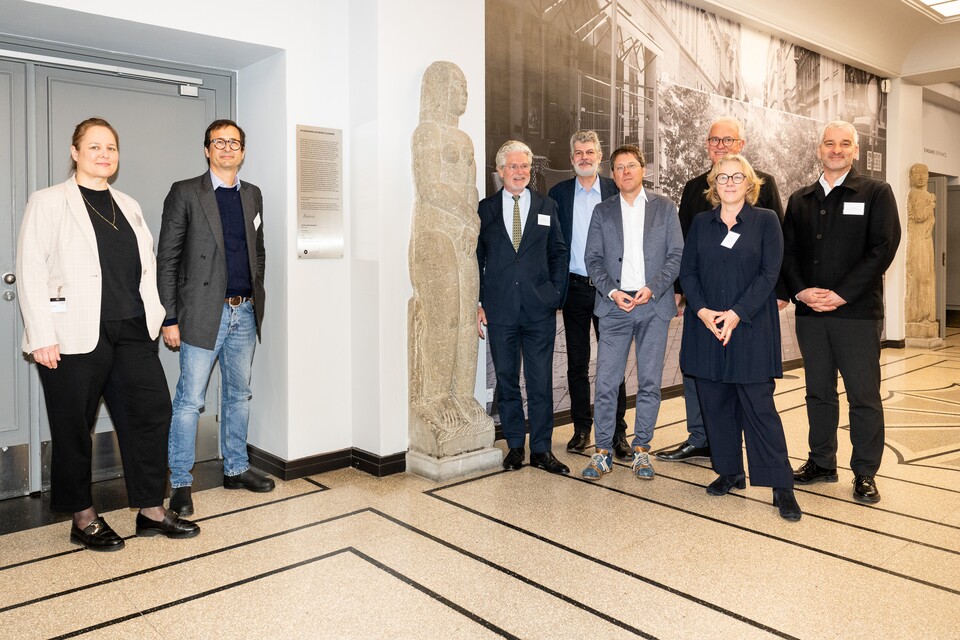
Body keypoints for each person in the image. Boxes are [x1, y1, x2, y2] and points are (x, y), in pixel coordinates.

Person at [16, 117, 199, 550]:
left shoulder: (127, 204)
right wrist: (41, 334)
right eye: (94, 146)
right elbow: (30, 269)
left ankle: (151, 510)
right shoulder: (48, 201)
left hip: (132, 329)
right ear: (75, 152)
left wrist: (156, 315)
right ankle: (82, 516)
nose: (104, 154)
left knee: (151, 414)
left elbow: (145, 268)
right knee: (74, 425)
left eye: (111, 148)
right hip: (72, 333)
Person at [157, 119, 273, 518]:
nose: (226, 148)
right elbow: (167, 259)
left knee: (239, 394)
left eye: (233, 143)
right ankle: (180, 482)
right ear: (207, 150)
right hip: (203, 313)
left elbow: (258, 250)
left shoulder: (253, 194)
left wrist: (255, 290)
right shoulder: (186, 192)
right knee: (190, 401)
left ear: (243, 151)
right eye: (218, 142)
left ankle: (236, 468)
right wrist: (169, 317)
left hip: (245, 311)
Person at [782, 120, 901, 504]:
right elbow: (788, 251)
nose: (836, 150)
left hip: (857, 315)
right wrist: (801, 291)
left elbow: (883, 249)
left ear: (855, 150)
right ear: (819, 149)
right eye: (829, 143)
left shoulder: (876, 192)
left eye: (844, 144)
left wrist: (841, 295)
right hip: (811, 315)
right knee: (818, 392)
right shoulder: (800, 199)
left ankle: (865, 472)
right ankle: (821, 462)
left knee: (863, 396)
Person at [679, 154, 801, 521]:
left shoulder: (765, 221)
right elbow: (688, 271)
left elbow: (769, 273)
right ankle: (730, 471)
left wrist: (736, 313)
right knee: (715, 403)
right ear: (713, 185)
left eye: (737, 177)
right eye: (722, 177)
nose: (729, 183)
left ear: (750, 183)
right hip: (706, 327)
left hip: (749, 326)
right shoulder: (701, 223)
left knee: (759, 408)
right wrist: (702, 311)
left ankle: (781, 485)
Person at [659, 116, 787, 463]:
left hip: (748, 305)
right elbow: (682, 245)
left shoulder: (763, 183)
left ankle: (741, 449)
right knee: (699, 375)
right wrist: (681, 292)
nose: (721, 146)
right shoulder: (693, 188)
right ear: (707, 145)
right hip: (704, 304)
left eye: (728, 140)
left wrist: (780, 290)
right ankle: (701, 437)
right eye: (715, 140)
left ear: (741, 145)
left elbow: (777, 244)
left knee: (748, 382)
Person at [581, 145, 683, 481]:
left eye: (632, 165)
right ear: (612, 174)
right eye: (619, 167)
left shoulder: (664, 207)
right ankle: (603, 451)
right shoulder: (602, 211)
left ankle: (641, 450)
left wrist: (652, 288)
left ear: (643, 169)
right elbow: (593, 259)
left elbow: (675, 255)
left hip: (653, 305)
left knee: (650, 382)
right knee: (607, 382)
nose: (626, 171)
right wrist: (612, 292)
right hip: (615, 307)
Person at [477, 139, 569, 474]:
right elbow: (477, 258)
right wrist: (478, 302)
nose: (520, 172)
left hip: (538, 309)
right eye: (513, 166)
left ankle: (542, 449)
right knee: (507, 380)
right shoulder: (485, 209)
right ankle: (515, 446)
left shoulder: (546, 206)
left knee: (540, 380)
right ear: (500, 171)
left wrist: (554, 294)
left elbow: (558, 253)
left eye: (525, 166)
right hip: (500, 309)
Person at [547, 131, 630, 459]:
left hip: (610, 290)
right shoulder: (558, 195)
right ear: (572, 159)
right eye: (579, 152)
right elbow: (553, 245)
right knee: (577, 363)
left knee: (614, 362)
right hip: (575, 289)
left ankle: (618, 432)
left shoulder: (614, 190)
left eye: (590, 152)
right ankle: (582, 428)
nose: (584, 157)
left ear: (599, 157)